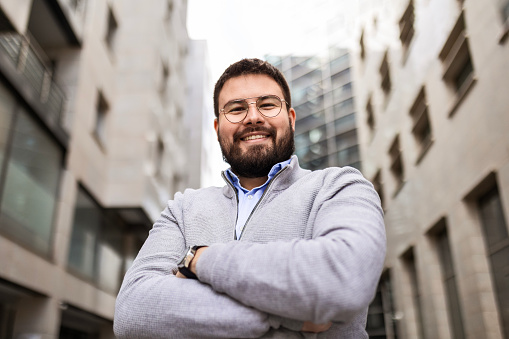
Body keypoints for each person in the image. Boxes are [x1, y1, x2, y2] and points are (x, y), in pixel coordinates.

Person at [114, 58, 386, 338]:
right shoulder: (183, 209)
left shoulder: (340, 186)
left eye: (268, 104)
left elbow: (342, 280)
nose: (253, 117)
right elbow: (133, 312)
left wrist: (199, 259)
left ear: (290, 119)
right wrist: (287, 315)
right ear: (218, 128)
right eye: (237, 109)